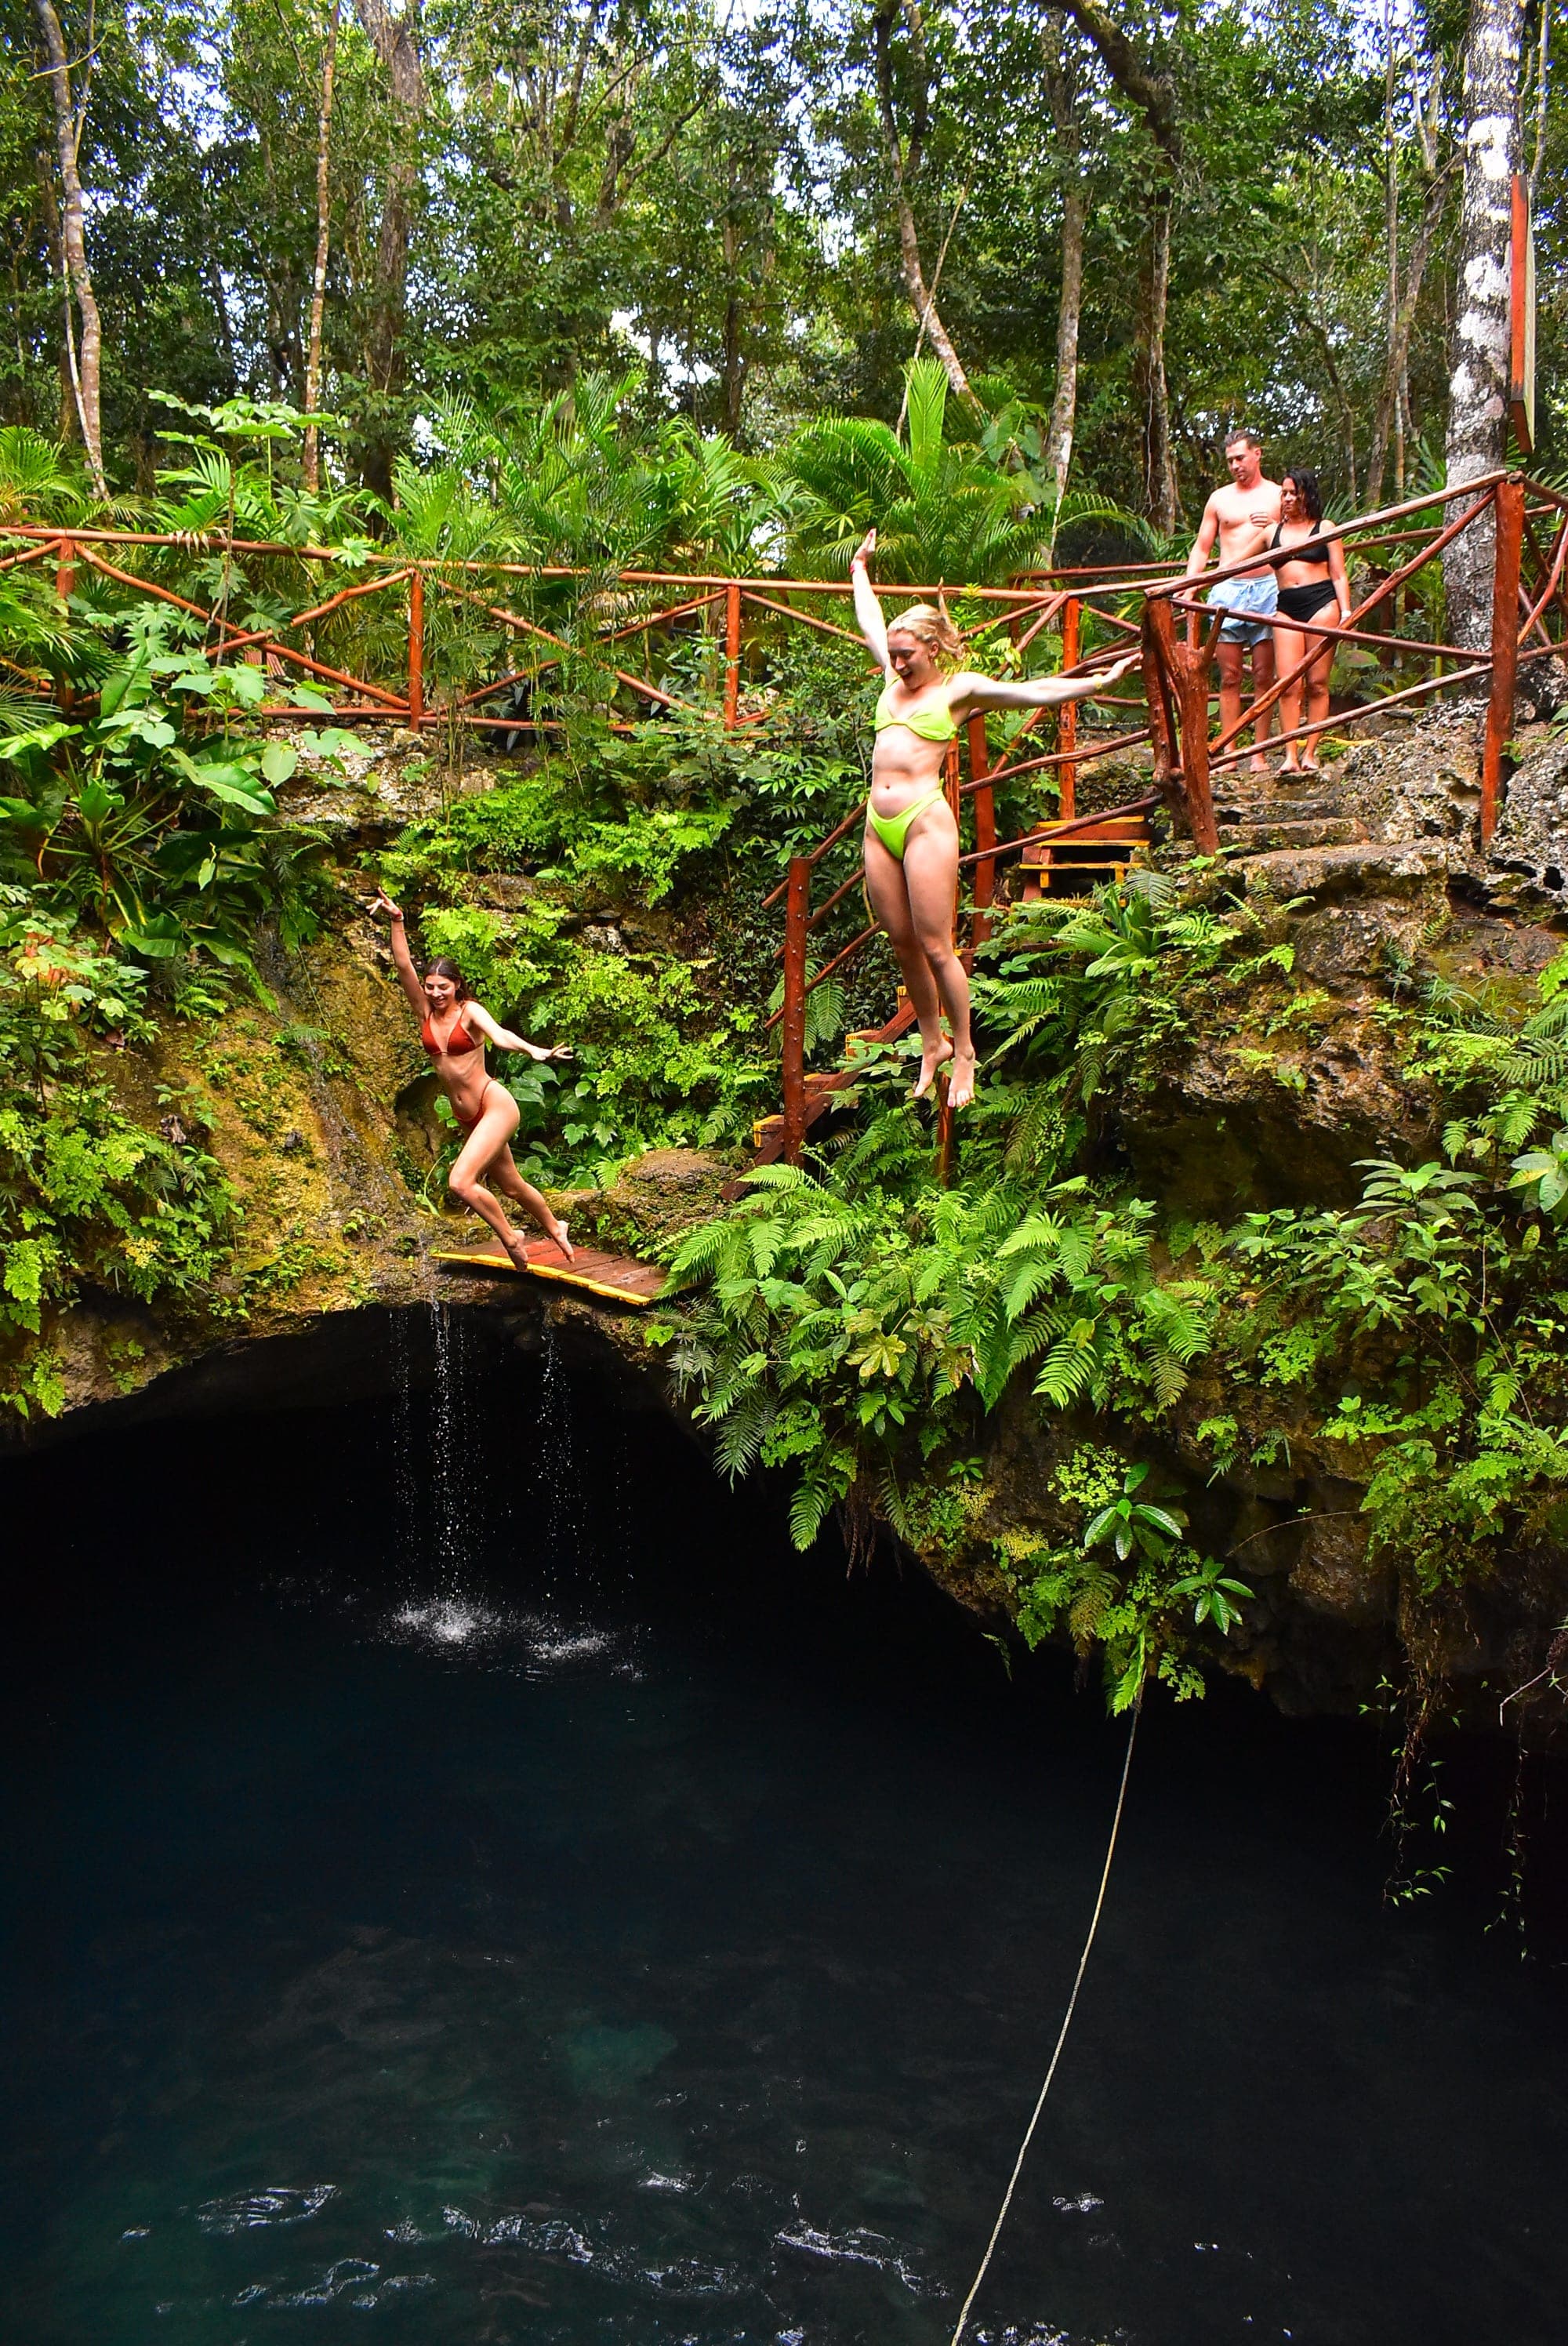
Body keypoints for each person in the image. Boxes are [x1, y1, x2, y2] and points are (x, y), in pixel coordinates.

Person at [851, 529, 1140, 1111]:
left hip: (924, 822)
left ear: (934, 648)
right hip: (878, 826)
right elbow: (870, 620)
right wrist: (860, 568)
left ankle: (964, 1051)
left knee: (936, 946)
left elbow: (1033, 692)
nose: (898, 662)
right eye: (894, 654)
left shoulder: (959, 691)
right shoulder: (891, 678)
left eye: (907, 655)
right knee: (901, 941)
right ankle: (931, 1042)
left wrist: (1098, 682)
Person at [370, 890, 575, 1266]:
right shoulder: (425, 1013)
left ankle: (511, 1237)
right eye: (430, 987)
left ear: (457, 986)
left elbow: (500, 1035)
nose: (435, 993)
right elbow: (403, 967)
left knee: (460, 1182)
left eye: (443, 987)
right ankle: (555, 1225)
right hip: (467, 1116)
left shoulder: (470, 1012)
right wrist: (397, 921)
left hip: (493, 1105)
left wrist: (533, 1050)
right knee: (511, 1186)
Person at [1184, 428, 1283, 773]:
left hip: (1268, 588)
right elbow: (1202, 547)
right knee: (1229, 675)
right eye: (1229, 461)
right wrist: (1191, 584)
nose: (1235, 466)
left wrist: (1275, 524)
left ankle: (1259, 754)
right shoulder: (1219, 499)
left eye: (1240, 458)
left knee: (1263, 675)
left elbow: (1298, 536)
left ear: (1257, 454)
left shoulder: (1278, 495)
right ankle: (1229, 752)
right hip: (1228, 589)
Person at [1258, 468, 1351, 775]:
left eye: (1293, 493)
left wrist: (1346, 612)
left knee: (1317, 683)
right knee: (1288, 684)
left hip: (1322, 605)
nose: (1287, 499)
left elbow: (1338, 574)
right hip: (1286, 608)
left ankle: (1310, 752)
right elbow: (1235, 561)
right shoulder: (1271, 532)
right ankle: (1290, 755)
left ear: (1306, 495)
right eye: (1283, 493)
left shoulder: (1325, 528)